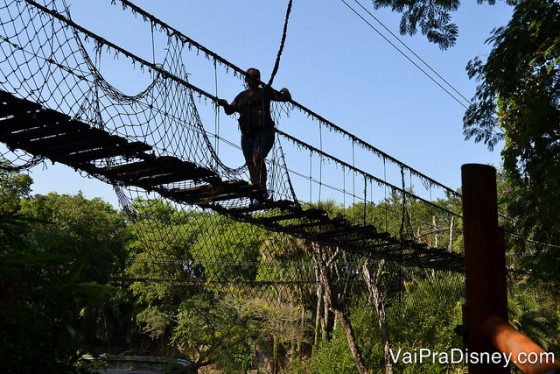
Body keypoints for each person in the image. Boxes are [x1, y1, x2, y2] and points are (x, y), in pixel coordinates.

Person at [218, 67, 291, 196]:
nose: (252, 79)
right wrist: (224, 104)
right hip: (247, 135)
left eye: (255, 76)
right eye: (250, 76)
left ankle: (262, 189)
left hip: (265, 132)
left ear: (259, 80)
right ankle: (255, 190)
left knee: (257, 157)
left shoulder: (265, 93)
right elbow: (230, 110)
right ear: (245, 79)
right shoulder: (241, 96)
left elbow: (284, 98)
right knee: (251, 164)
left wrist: (284, 91)